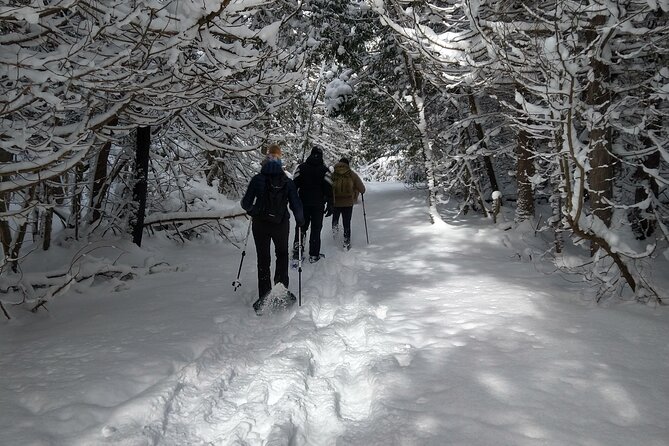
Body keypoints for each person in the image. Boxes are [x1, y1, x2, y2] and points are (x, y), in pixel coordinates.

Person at [241, 144, 304, 314]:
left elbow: (245, 204)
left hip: (260, 225)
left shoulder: (257, 179)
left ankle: (264, 296)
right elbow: (296, 206)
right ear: (280, 161)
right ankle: (281, 290)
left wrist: (255, 211)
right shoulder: (287, 182)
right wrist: (300, 221)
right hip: (281, 224)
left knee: (263, 259)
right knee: (282, 255)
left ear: (265, 160)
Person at [292, 145, 333, 263]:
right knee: (316, 229)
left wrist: (293, 201)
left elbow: (294, 184)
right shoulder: (325, 170)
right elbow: (329, 188)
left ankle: (297, 251)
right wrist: (330, 204)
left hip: (303, 203)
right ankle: (314, 255)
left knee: (301, 226)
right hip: (318, 205)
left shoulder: (301, 168)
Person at [331, 157, 366, 250]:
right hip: (348, 203)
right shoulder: (352, 174)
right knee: (346, 222)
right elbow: (362, 189)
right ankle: (346, 242)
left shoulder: (333, 174)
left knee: (335, 219)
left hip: (335, 202)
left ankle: (334, 237)